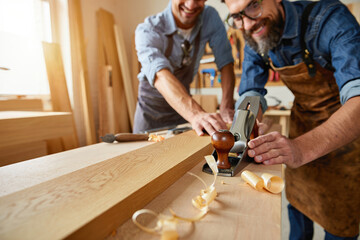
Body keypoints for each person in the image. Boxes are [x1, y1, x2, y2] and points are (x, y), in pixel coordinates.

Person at [222, 0, 360, 239]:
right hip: (301, 126)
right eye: (237, 16)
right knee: (297, 204)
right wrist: (245, 126)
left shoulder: (329, 19)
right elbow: (251, 92)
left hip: (346, 143)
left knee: (339, 222)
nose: (248, 24)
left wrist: (301, 148)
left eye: (254, 5)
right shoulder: (255, 33)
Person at [133, 0, 236, 136]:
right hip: (151, 115)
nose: (191, 5)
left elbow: (226, 63)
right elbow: (160, 75)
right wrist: (196, 114)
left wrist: (226, 107)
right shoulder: (149, 29)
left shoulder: (209, 18)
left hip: (183, 116)